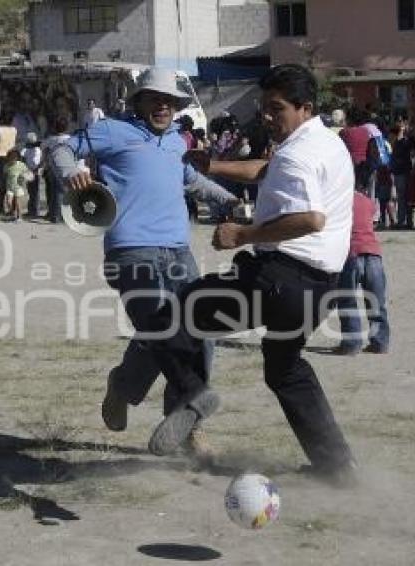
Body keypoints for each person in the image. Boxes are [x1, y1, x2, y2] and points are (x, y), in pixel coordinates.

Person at [156, 64, 357, 485]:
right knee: (285, 369)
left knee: (175, 316)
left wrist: (243, 234)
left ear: (305, 107)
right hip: (319, 286)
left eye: (276, 108)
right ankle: (335, 466)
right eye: (264, 106)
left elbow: (311, 218)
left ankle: (194, 397)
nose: (267, 115)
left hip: (279, 279)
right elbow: (267, 169)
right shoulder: (323, 142)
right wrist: (212, 165)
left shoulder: (299, 156)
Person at [51, 68, 238, 459]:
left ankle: (185, 425)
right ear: (138, 101)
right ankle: (125, 387)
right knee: (161, 328)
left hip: (178, 251)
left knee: (197, 332)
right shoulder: (112, 131)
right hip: (131, 250)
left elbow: (190, 179)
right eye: (154, 97)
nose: (162, 105)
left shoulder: (175, 141)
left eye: (169, 100)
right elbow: (60, 148)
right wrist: (72, 173)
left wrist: (230, 201)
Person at [334, 185, 390, 355]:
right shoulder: (368, 201)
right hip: (373, 253)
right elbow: (373, 220)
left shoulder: (337, 201)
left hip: (350, 253)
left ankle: (351, 343)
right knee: (376, 302)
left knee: (347, 300)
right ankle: (380, 342)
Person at [0, 114, 17, 215]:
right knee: (10, 183)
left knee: (0, 184)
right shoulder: (14, 130)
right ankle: (12, 207)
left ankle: (1, 207)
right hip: (11, 157)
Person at [3, 148, 30, 222]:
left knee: (18, 203)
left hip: (19, 186)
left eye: (15, 157)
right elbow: (5, 175)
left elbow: (27, 173)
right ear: (8, 157)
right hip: (9, 187)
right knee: (9, 201)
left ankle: (20, 217)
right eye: (11, 157)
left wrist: (24, 177)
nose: (13, 158)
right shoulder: (7, 166)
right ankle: (13, 213)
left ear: (17, 157)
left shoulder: (21, 165)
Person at [21, 133, 43, 217]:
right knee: (30, 191)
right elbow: (23, 157)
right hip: (28, 171)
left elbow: (38, 162)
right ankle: (31, 210)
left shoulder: (37, 150)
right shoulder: (26, 149)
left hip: (35, 172)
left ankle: (35, 211)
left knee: (35, 192)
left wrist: (35, 170)